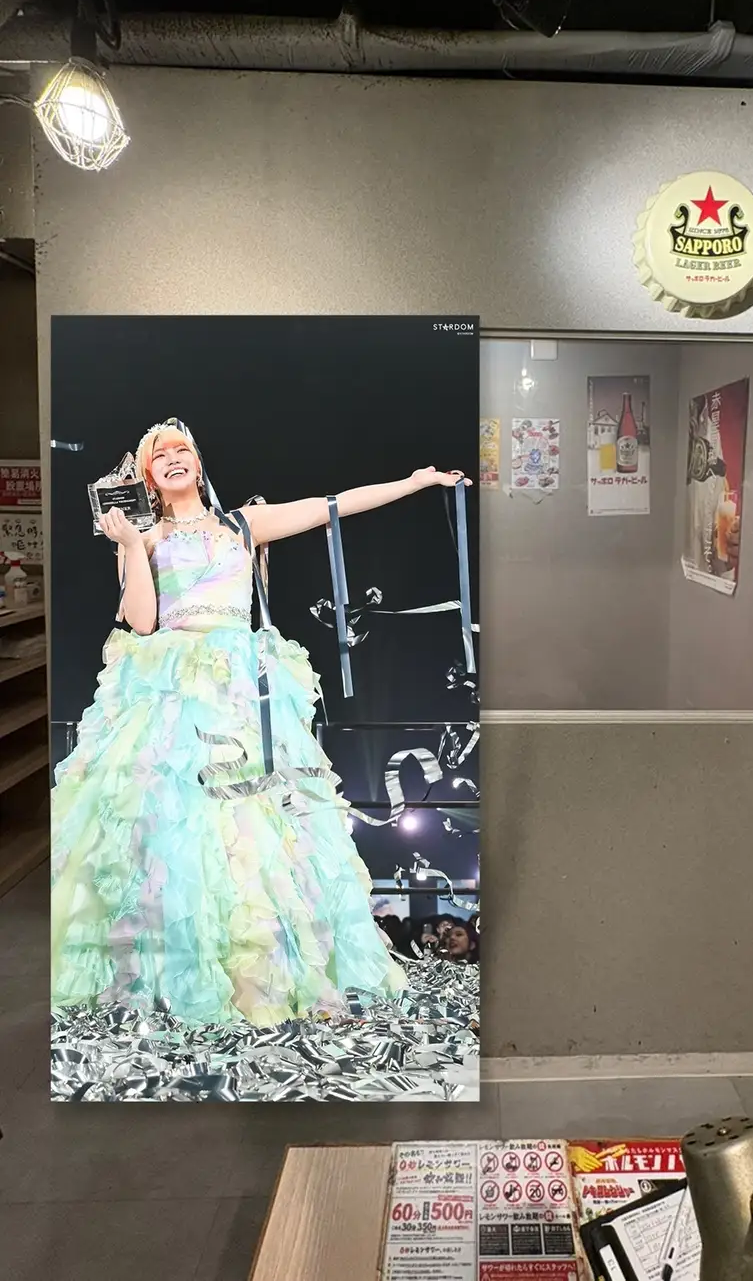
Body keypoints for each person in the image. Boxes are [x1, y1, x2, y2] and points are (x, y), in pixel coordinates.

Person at [50, 421, 470, 1029]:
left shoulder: (243, 524)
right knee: (171, 827)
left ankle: (263, 969)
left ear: (198, 463)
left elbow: (332, 506)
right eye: (159, 455)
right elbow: (140, 621)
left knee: (256, 830)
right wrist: (131, 545)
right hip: (172, 689)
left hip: (241, 690)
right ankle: (174, 970)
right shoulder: (147, 535)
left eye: (182, 450)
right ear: (146, 476)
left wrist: (414, 482)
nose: (173, 458)